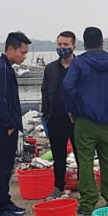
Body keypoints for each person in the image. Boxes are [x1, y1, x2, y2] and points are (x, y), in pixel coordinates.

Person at [63, 27, 108, 215]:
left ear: (84, 44)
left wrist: (72, 109)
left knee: (85, 162)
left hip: (84, 121)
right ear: (102, 43)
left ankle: (88, 203)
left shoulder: (79, 63)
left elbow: (68, 87)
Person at [0, 31, 32, 216]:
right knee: (3, 168)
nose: (24, 56)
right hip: (4, 128)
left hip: (6, 126)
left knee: (6, 167)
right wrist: (9, 124)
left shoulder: (5, 67)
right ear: (11, 49)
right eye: (22, 52)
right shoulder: (1, 69)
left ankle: (5, 201)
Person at [41, 31, 79, 200]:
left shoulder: (80, 66)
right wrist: (46, 115)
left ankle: (84, 187)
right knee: (58, 156)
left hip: (76, 120)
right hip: (55, 119)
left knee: (81, 155)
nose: (62, 48)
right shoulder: (50, 69)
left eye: (66, 45)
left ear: (73, 46)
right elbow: (44, 91)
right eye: (59, 45)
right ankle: (58, 186)